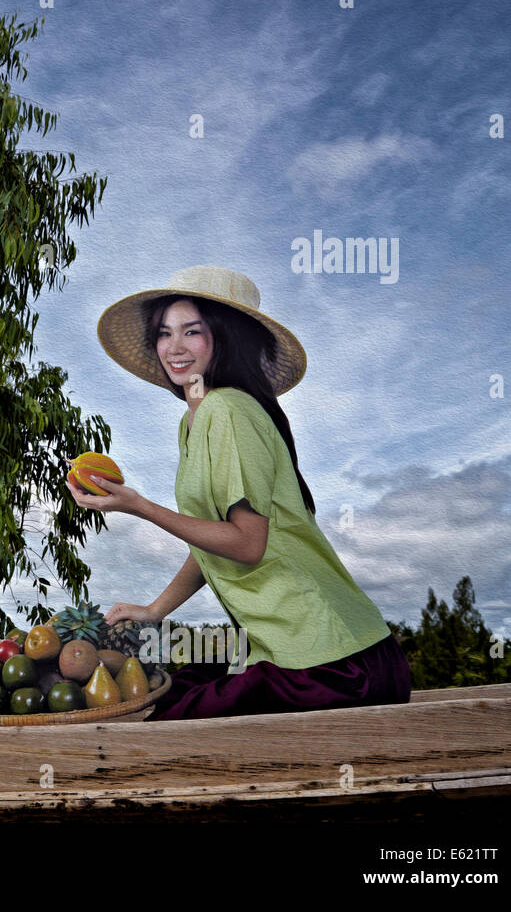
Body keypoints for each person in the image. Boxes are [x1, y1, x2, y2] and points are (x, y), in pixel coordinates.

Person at [69, 265, 411, 719]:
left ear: (223, 337)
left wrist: (141, 507)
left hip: (335, 662)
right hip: (296, 654)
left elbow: (247, 544)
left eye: (192, 332)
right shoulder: (194, 422)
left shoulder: (229, 409)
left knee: (165, 723)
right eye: (164, 333)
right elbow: (216, 542)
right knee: (160, 697)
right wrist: (155, 609)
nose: (174, 348)